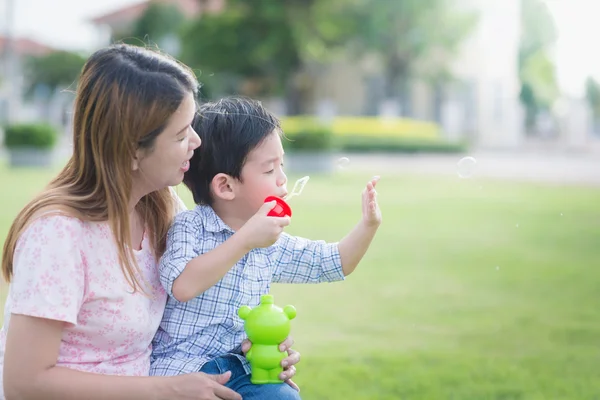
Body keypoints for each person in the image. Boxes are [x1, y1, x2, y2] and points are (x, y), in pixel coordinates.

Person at [0, 44, 300, 400]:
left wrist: (253, 348)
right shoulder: (57, 235)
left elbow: (194, 308)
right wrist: (166, 389)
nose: (196, 141)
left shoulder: (160, 208)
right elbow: (23, 382)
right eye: (181, 134)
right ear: (131, 151)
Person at [150, 97, 382, 399]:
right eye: (270, 170)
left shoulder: (271, 243)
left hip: (245, 368)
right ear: (226, 186)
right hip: (182, 370)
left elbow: (335, 262)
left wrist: (368, 225)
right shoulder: (190, 227)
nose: (283, 179)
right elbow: (182, 285)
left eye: (281, 165)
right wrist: (246, 239)